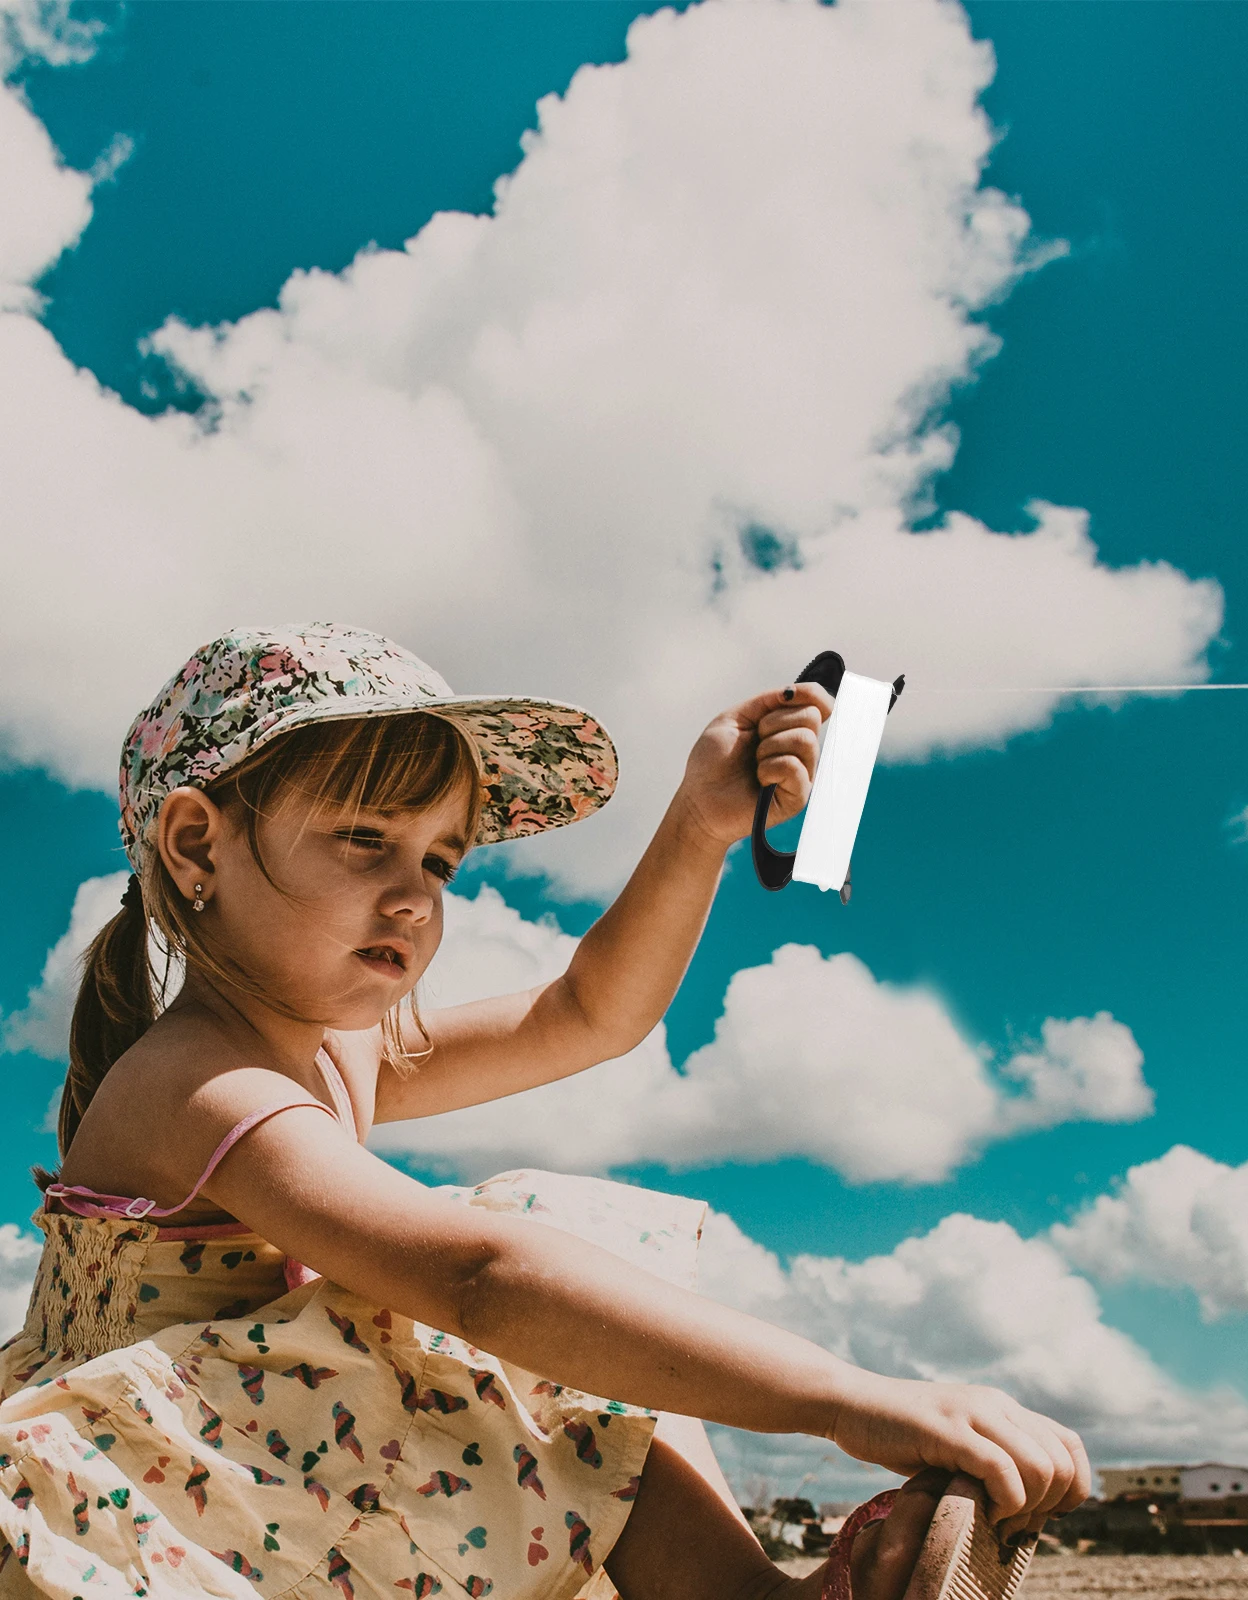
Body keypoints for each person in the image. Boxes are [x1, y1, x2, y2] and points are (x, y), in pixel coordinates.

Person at [1, 624, 1089, 1600]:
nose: (416, 896)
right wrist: (848, 1400)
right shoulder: (195, 1080)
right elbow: (478, 1275)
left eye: (440, 857)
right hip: (141, 1512)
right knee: (509, 1268)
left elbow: (586, 1011)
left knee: (518, 1300)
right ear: (197, 846)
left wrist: (702, 822)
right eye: (366, 839)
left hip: (269, 1472)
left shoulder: (339, 1050)